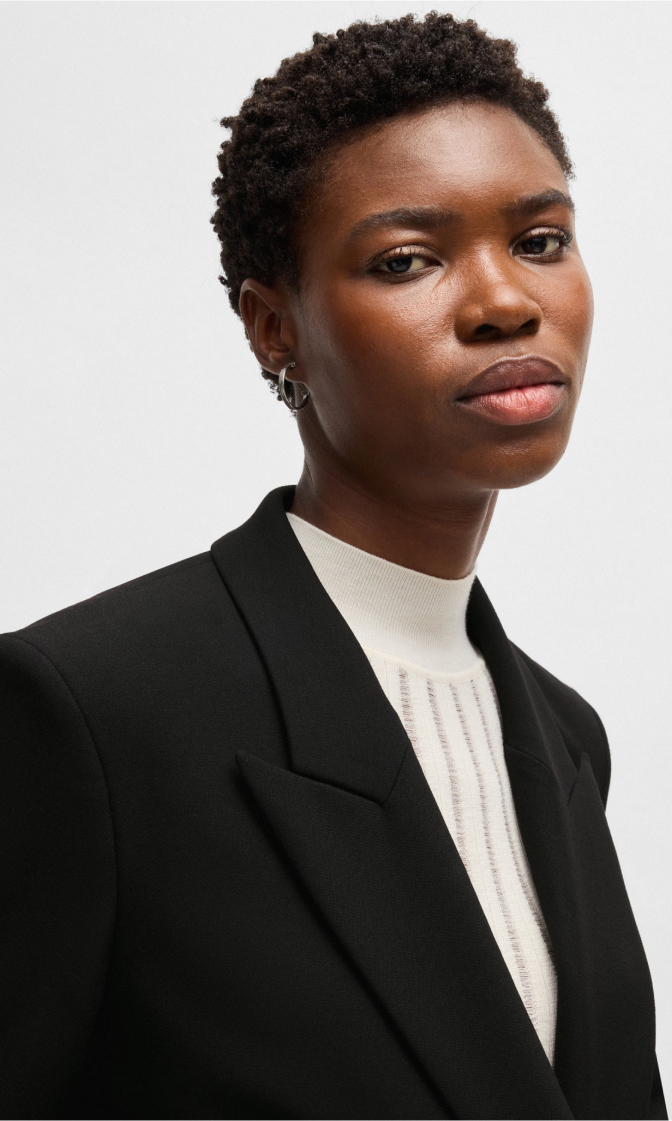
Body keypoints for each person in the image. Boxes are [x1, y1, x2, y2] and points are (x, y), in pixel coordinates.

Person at [0, 12, 665, 1120]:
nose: (507, 301)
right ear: (276, 329)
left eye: (541, 239)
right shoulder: (90, 715)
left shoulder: (564, 737)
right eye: (408, 260)